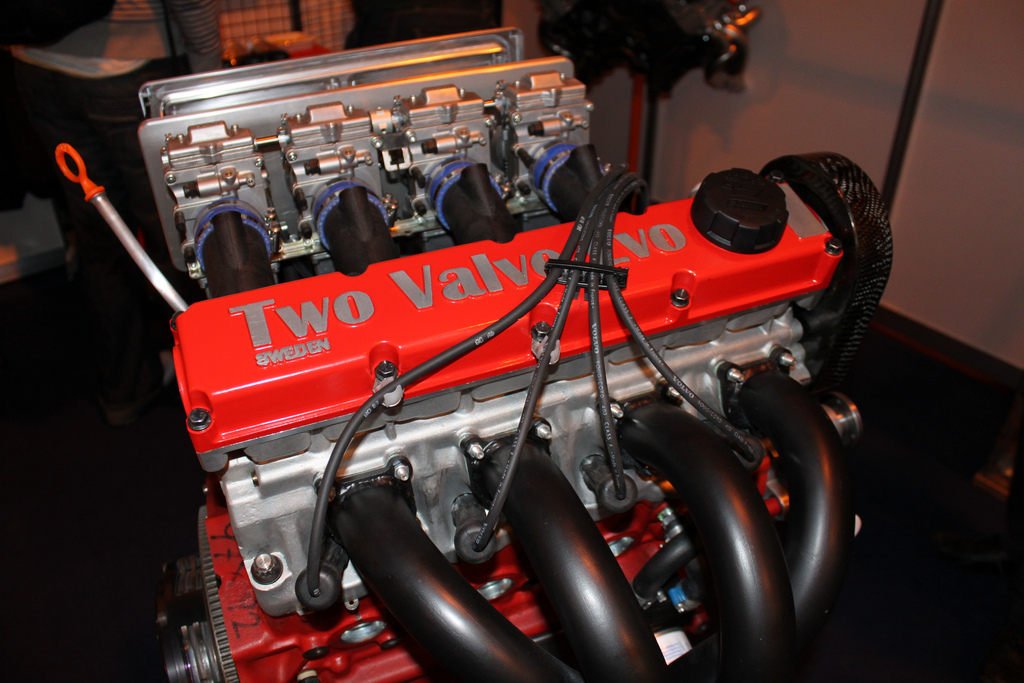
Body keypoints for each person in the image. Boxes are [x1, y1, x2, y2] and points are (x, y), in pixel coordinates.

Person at [11, 0, 221, 425]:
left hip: (38, 65)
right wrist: (206, 79)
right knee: (177, 232)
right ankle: (216, 380)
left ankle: (126, 387)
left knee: (101, 238)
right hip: (128, 69)